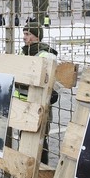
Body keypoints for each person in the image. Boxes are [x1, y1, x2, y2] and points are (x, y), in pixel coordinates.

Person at [14, 21, 58, 164]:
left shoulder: (46, 55)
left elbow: (52, 80)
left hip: (39, 105)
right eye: (24, 34)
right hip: (23, 104)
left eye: (28, 34)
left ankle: (41, 170)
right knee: (24, 137)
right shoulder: (22, 52)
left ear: (37, 37)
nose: (24, 37)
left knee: (39, 140)